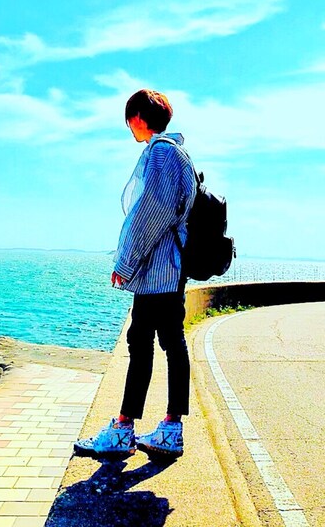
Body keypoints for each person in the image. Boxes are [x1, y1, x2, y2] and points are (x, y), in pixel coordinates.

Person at [75, 89, 196, 459]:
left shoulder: (162, 152)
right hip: (171, 268)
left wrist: (125, 262)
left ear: (139, 117)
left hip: (157, 270)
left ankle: (125, 429)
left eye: (130, 120)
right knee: (169, 342)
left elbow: (150, 212)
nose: (129, 127)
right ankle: (169, 429)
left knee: (142, 343)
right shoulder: (179, 153)